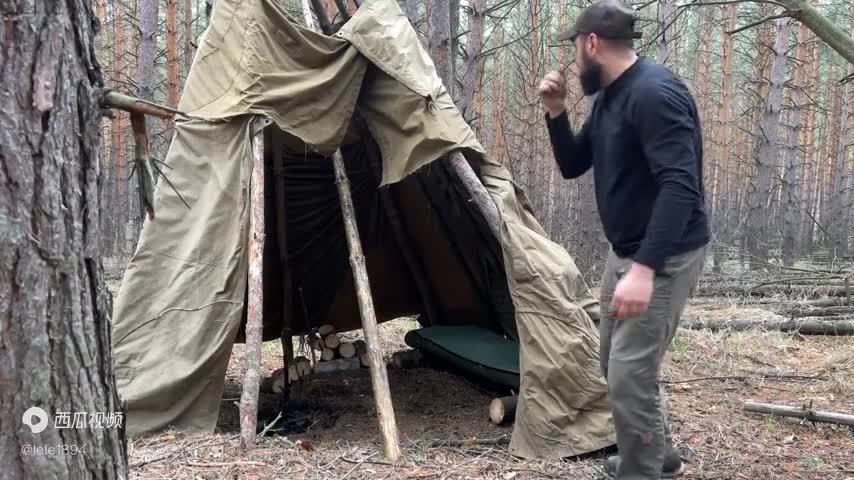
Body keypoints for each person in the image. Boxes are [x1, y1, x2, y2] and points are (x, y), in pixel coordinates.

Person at [538, 0, 710, 478]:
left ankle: (642, 471)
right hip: (629, 252)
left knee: (630, 372)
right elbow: (574, 164)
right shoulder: (610, 95)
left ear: (591, 44)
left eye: (576, 49)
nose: (574, 62)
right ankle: (660, 456)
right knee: (618, 362)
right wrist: (556, 113)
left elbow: (681, 187)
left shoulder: (655, 94)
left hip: (666, 256)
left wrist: (645, 269)